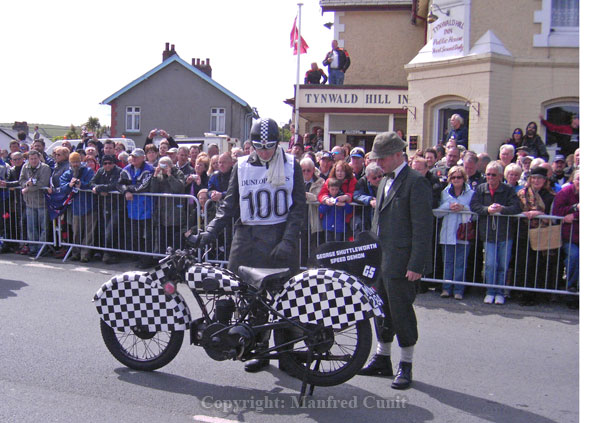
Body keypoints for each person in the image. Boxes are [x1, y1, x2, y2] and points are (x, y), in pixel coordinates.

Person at [194, 118, 305, 373]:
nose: (265, 152)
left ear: (278, 143)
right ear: (252, 145)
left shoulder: (291, 165)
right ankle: (259, 350)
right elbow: (229, 205)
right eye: (259, 147)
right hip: (248, 239)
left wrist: (288, 241)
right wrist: (208, 233)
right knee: (249, 300)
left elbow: (298, 207)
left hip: (279, 237)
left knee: (285, 301)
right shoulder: (242, 166)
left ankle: (287, 355)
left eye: (269, 147)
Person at [357, 131, 433, 391]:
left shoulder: (415, 182)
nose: (379, 163)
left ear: (397, 154)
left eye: (383, 157)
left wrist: (416, 265)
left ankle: (406, 363)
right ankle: (382, 357)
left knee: (402, 312)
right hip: (382, 260)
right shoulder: (383, 182)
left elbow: (422, 228)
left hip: (401, 262)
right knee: (381, 311)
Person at [470, 161, 522, 305]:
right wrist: (487, 210)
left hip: (505, 233)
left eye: (493, 175)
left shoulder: (508, 190)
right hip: (488, 233)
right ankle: (490, 291)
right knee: (490, 264)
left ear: (500, 176)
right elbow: (474, 206)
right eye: (488, 174)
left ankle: (500, 292)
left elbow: (517, 207)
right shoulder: (480, 188)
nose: (490, 177)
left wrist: (502, 209)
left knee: (502, 265)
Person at [514, 166, 557, 306]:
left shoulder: (550, 196)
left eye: (540, 178)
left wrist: (541, 215)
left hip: (542, 234)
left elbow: (555, 216)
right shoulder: (522, 194)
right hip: (524, 232)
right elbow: (515, 210)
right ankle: (523, 293)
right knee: (524, 263)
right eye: (534, 177)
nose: (536, 180)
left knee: (539, 264)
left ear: (545, 180)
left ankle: (537, 294)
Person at [434, 166, 475, 300]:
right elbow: (437, 213)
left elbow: (476, 214)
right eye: (453, 177)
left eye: (459, 177)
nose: (456, 180)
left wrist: (463, 208)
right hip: (447, 233)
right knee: (448, 263)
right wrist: (449, 207)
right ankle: (446, 288)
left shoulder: (471, 193)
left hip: (463, 233)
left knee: (460, 263)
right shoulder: (444, 192)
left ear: (464, 178)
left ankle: (459, 290)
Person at [118, 148, 155, 268]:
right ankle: (138, 257)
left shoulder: (149, 169)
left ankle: (147, 259)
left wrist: (128, 189)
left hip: (146, 208)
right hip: (132, 208)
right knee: (135, 234)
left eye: (136, 157)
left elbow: (142, 186)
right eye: (132, 156)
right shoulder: (127, 169)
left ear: (143, 158)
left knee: (147, 235)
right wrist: (125, 191)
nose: (133, 159)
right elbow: (119, 183)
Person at [60, 152, 96, 262]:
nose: (75, 164)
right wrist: (69, 185)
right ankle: (75, 253)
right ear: (70, 163)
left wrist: (82, 185)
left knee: (89, 232)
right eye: (73, 162)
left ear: (80, 161)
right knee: (76, 231)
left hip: (89, 205)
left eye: (77, 162)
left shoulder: (88, 171)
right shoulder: (67, 173)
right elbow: (62, 187)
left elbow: (92, 184)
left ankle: (85, 254)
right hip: (76, 207)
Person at [552, 170, 579, 306]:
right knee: (574, 256)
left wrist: (574, 216)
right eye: (579, 179)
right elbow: (556, 212)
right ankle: (571, 289)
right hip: (570, 237)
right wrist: (574, 207)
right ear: (573, 179)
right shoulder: (565, 192)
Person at [18, 150, 52, 256]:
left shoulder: (45, 168)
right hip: (29, 202)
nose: (33, 161)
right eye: (31, 159)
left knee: (43, 227)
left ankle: (41, 248)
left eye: (35, 158)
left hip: (42, 203)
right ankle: (33, 247)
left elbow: (43, 183)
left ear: (39, 158)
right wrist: (26, 184)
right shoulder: (25, 167)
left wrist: (28, 189)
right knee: (31, 228)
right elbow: (21, 180)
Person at [91, 154, 122, 264]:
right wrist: (97, 188)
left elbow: (115, 185)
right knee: (104, 230)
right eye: (105, 163)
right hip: (104, 205)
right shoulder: (100, 171)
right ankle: (105, 253)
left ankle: (110, 254)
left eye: (110, 163)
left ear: (113, 163)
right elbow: (92, 182)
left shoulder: (119, 171)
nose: (107, 165)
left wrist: (99, 188)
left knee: (112, 230)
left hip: (116, 205)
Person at [151, 156, 186, 254]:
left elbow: (179, 188)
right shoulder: (159, 175)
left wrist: (170, 176)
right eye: (160, 165)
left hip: (175, 213)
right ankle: (161, 258)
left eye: (165, 165)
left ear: (170, 165)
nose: (163, 168)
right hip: (162, 213)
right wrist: (155, 175)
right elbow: (153, 191)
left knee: (174, 241)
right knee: (162, 240)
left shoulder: (178, 173)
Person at [299, 157, 324, 265]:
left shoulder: (320, 182)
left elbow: (319, 198)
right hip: (301, 219)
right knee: (302, 248)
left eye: (308, 170)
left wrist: (304, 195)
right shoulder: (296, 181)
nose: (306, 173)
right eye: (303, 170)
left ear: (313, 170)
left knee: (314, 247)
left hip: (313, 220)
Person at [353, 162, 384, 232]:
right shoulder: (362, 181)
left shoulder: (387, 181)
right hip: (367, 218)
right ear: (368, 178)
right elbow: (356, 195)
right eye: (374, 178)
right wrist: (369, 200)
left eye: (380, 176)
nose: (378, 179)